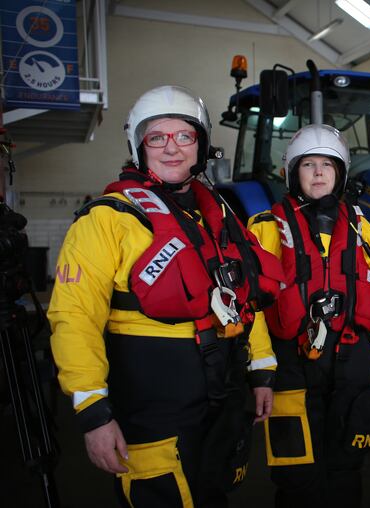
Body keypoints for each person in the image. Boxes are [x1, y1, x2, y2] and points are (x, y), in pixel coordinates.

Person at [48, 85, 284, 507]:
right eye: (157, 137)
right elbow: (74, 315)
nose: (171, 148)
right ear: (138, 146)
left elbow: (246, 297)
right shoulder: (107, 219)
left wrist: (261, 372)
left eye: (184, 135)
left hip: (224, 386)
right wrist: (93, 411)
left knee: (214, 491)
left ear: (202, 143)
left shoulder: (220, 214)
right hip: (151, 393)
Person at [248, 124, 370, 508]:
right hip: (292, 360)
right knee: (297, 474)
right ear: (293, 173)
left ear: (341, 172)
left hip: (351, 357)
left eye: (327, 164)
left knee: (346, 467)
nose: (319, 173)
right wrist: (259, 368)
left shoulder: (363, 228)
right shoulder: (264, 229)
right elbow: (252, 303)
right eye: (308, 164)